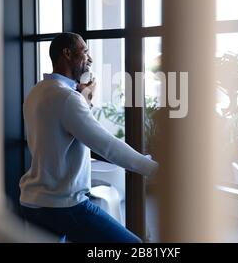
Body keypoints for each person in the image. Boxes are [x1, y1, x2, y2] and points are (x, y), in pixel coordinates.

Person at [19, 32, 158, 243]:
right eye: (85, 52)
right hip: (64, 206)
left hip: (33, 202)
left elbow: (68, 127)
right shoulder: (67, 98)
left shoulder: (37, 92)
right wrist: (153, 168)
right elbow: (106, 145)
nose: (90, 59)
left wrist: (84, 98)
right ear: (67, 53)